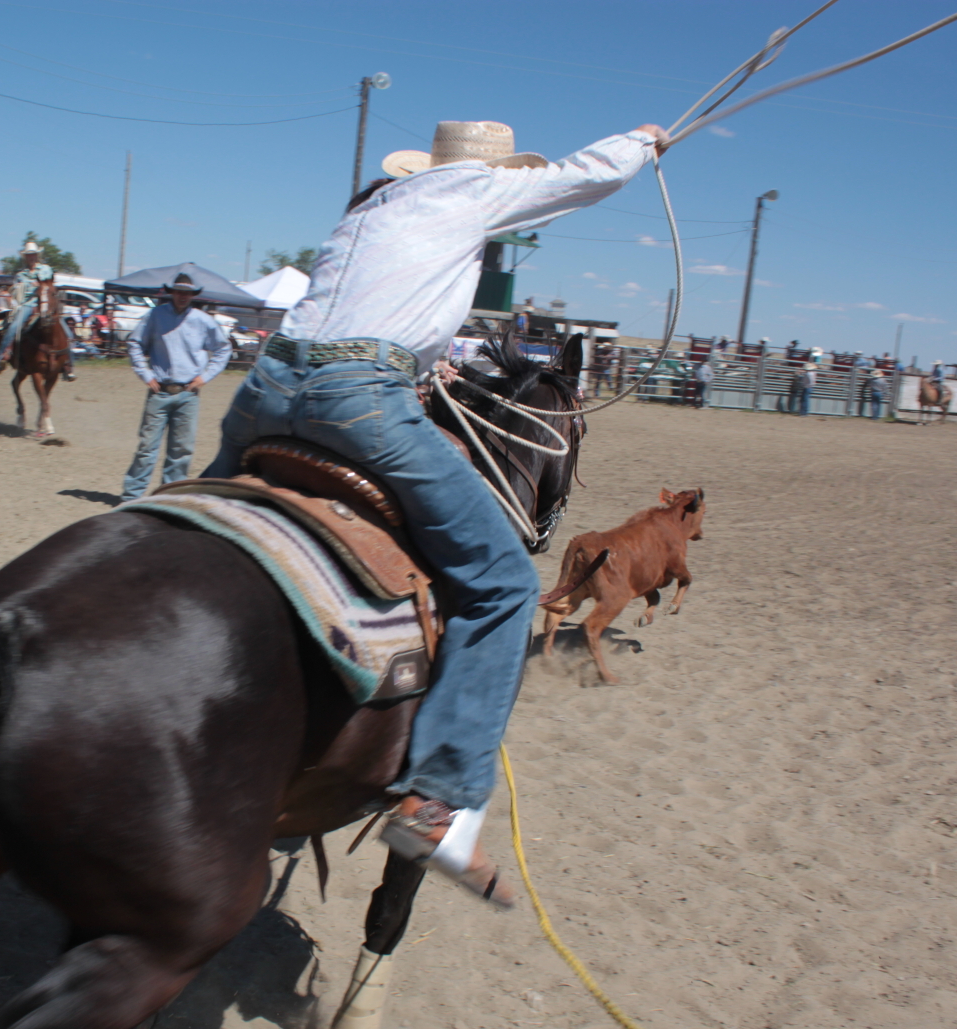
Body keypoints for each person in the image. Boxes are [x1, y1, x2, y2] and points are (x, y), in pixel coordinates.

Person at [200, 119, 664, 905]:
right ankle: (434, 803)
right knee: (504, 583)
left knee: (197, 516)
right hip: (357, 400)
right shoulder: (474, 191)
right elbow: (587, 176)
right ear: (489, 169)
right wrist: (643, 143)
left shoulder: (369, 209)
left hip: (262, 392)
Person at [120, 273, 231, 501]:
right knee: (147, 448)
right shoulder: (155, 316)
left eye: (187, 292)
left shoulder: (203, 320)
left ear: (192, 295)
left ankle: (168, 497)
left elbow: (223, 348)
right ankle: (131, 497)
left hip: (188, 393)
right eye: (179, 291)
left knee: (181, 450)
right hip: (159, 390)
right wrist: (145, 373)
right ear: (171, 292)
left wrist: (205, 376)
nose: (182, 296)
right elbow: (134, 342)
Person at [0, 241, 55, 372]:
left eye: (33, 254)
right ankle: (1, 355)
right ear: (25, 257)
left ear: (37, 255)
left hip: (45, 303)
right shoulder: (21, 275)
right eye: (28, 255)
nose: (31, 257)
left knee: (62, 326)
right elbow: (15, 291)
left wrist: (39, 286)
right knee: (14, 326)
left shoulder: (46, 270)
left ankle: (67, 361)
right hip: (27, 304)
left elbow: (50, 286)